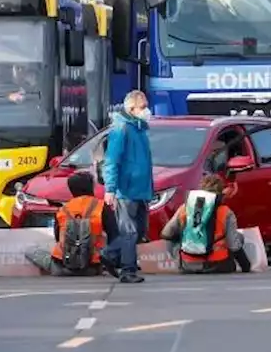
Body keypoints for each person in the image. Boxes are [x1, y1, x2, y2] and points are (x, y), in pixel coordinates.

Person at [101, 90, 153, 284]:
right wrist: (110, 189)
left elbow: (143, 164)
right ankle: (127, 270)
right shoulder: (121, 129)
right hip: (126, 189)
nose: (147, 110)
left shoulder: (139, 129)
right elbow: (112, 161)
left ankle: (110, 253)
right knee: (130, 231)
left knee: (139, 230)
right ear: (131, 108)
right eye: (144, 107)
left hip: (139, 189)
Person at [24, 171, 118, 276]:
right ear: (91, 187)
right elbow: (114, 236)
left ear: (71, 189)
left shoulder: (63, 209)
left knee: (31, 251)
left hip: (60, 265)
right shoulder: (101, 207)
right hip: (91, 267)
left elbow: (58, 239)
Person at [161, 174, 253, 274]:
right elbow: (234, 245)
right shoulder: (226, 212)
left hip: (188, 265)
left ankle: (180, 263)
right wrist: (246, 267)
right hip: (219, 265)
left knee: (170, 240)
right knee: (238, 236)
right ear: (220, 192)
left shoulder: (185, 208)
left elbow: (166, 233)